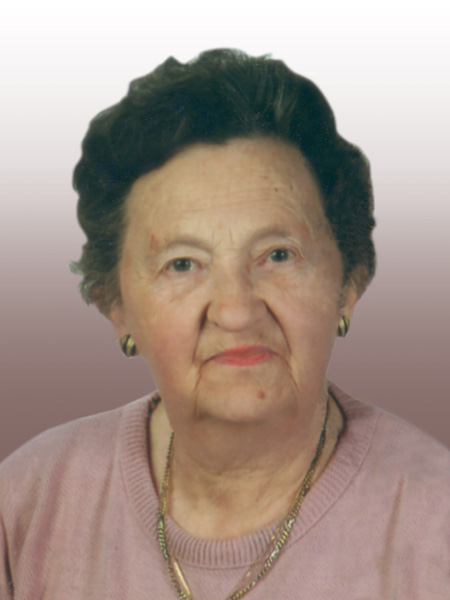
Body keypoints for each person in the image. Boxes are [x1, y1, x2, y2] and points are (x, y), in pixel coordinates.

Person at [1, 49, 449, 600]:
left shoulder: (436, 520)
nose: (236, 312)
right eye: (182, 264)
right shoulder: (28, 503)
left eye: (278, 255)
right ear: (116, 306)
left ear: (348, 286)